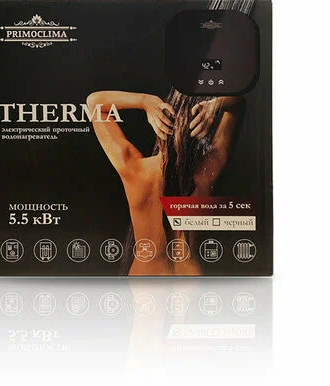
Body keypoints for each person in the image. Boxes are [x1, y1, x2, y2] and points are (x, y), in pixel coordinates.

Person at [86, 89, 245, 275]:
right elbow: (239, 104)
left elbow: (94, 102)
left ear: (159, 122)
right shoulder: (207, 171)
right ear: (200, 128)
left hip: (145, 279)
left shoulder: (135, 170)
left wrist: (145, 101)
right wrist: (215, 105)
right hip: (189, 279)